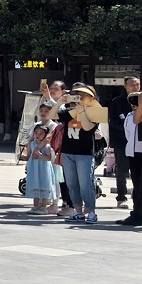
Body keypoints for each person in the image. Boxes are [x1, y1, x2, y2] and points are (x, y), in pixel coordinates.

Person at [57, 84, 101, 223]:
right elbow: (53, 114)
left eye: (83, 95)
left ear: (91, 97)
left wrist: (81, 110)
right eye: (77, 94)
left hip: (85, 153)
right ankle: (78, 211)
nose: (79, 97)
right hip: (68, 151)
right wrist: (61, 101)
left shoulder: (96, 111)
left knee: (85, 183)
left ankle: (91, 212)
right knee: (72, 184)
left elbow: (88, 127)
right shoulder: (70, 110)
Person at [109, 77, 140, 209]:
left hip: (140, 141)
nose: (135, 87)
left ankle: (138, 196)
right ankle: (121, 197)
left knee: (139, 170)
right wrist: (128, 127)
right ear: (125, 86)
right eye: (132, 85)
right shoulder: (118, 102)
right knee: (121, 169)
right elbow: (113, 122)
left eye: (137, 84)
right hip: (122, 141)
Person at [118, 91, 142, 227]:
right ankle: (138, 214)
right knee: (138, 185)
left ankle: (137, 214)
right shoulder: (132, 115)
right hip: (134, 152)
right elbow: (132, 126)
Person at [23, 122, 59, 214]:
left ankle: (43, 207)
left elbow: (48, 158)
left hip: (43, 168)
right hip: (34, 167)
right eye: (36, 133)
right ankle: (35, 206)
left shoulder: (47, 146)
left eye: (41, 134)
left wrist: (39, 154)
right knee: (36, 184)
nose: (38, 135)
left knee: (44, 184)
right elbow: (30, 155)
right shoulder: (32, 144)